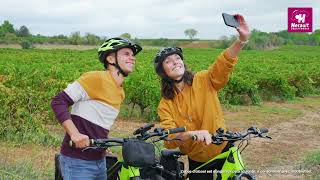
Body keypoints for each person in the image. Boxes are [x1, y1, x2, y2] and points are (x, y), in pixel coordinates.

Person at [153, 14, 250, 180]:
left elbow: (223, 65)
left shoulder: (203, 79)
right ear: (163, 72)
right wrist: (192, 134)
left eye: (177, 58)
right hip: (197, 158)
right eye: (168, 61)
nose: (176, 62)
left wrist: (240, 41)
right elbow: (169, 138)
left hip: (223, 149)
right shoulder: (165, 104)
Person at [51, 37, 142, 179]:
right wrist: (74, 134)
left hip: (100, 160)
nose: (132, 58)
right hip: (77, 161)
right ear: (111, 59)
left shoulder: (120, 91)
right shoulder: (95, 78)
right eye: (126, 54)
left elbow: (100, 124)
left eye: (132, 55)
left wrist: (103, 148)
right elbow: (58, 101)